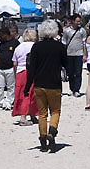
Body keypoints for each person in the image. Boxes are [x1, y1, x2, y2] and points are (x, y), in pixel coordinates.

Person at [25, 19, 67, 152]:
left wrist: (27, 87)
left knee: (42, 113)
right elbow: (66, 64)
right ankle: (52, 131)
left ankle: (43, 141)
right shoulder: (59, 47)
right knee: (55, 111)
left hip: (39, 83)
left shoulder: (36, 47)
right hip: (54, 83)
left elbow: (32, 68)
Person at [11, 28, 39, 126]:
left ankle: (32, 116)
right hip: (31, 72)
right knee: (31, 94)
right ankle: (24, 117)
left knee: (21, 94)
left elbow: (15, 63)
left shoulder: (19, 47)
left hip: (20, 72)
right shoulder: (35, 46)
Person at [0, 26, 20, 111]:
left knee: (11, 87)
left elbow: (18, 55)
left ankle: (9, 103)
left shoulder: (15, 43)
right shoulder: (2, 43)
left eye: (1, 35)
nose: (0, 37)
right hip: (0, 68)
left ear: (6, 34)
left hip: (10, 68)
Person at [63, 14, 87, 97]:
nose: (79, 23)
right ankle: (71, 88)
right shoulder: (67, 31)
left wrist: (84, 55)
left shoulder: (82, 31)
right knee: (70, 72)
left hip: (79, 54)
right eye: (77, 21)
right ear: (73, 21)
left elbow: (84, 43)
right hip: (69, 54)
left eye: (79, 21)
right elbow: (64, 43)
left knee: (78, 72)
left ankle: (76, 89)